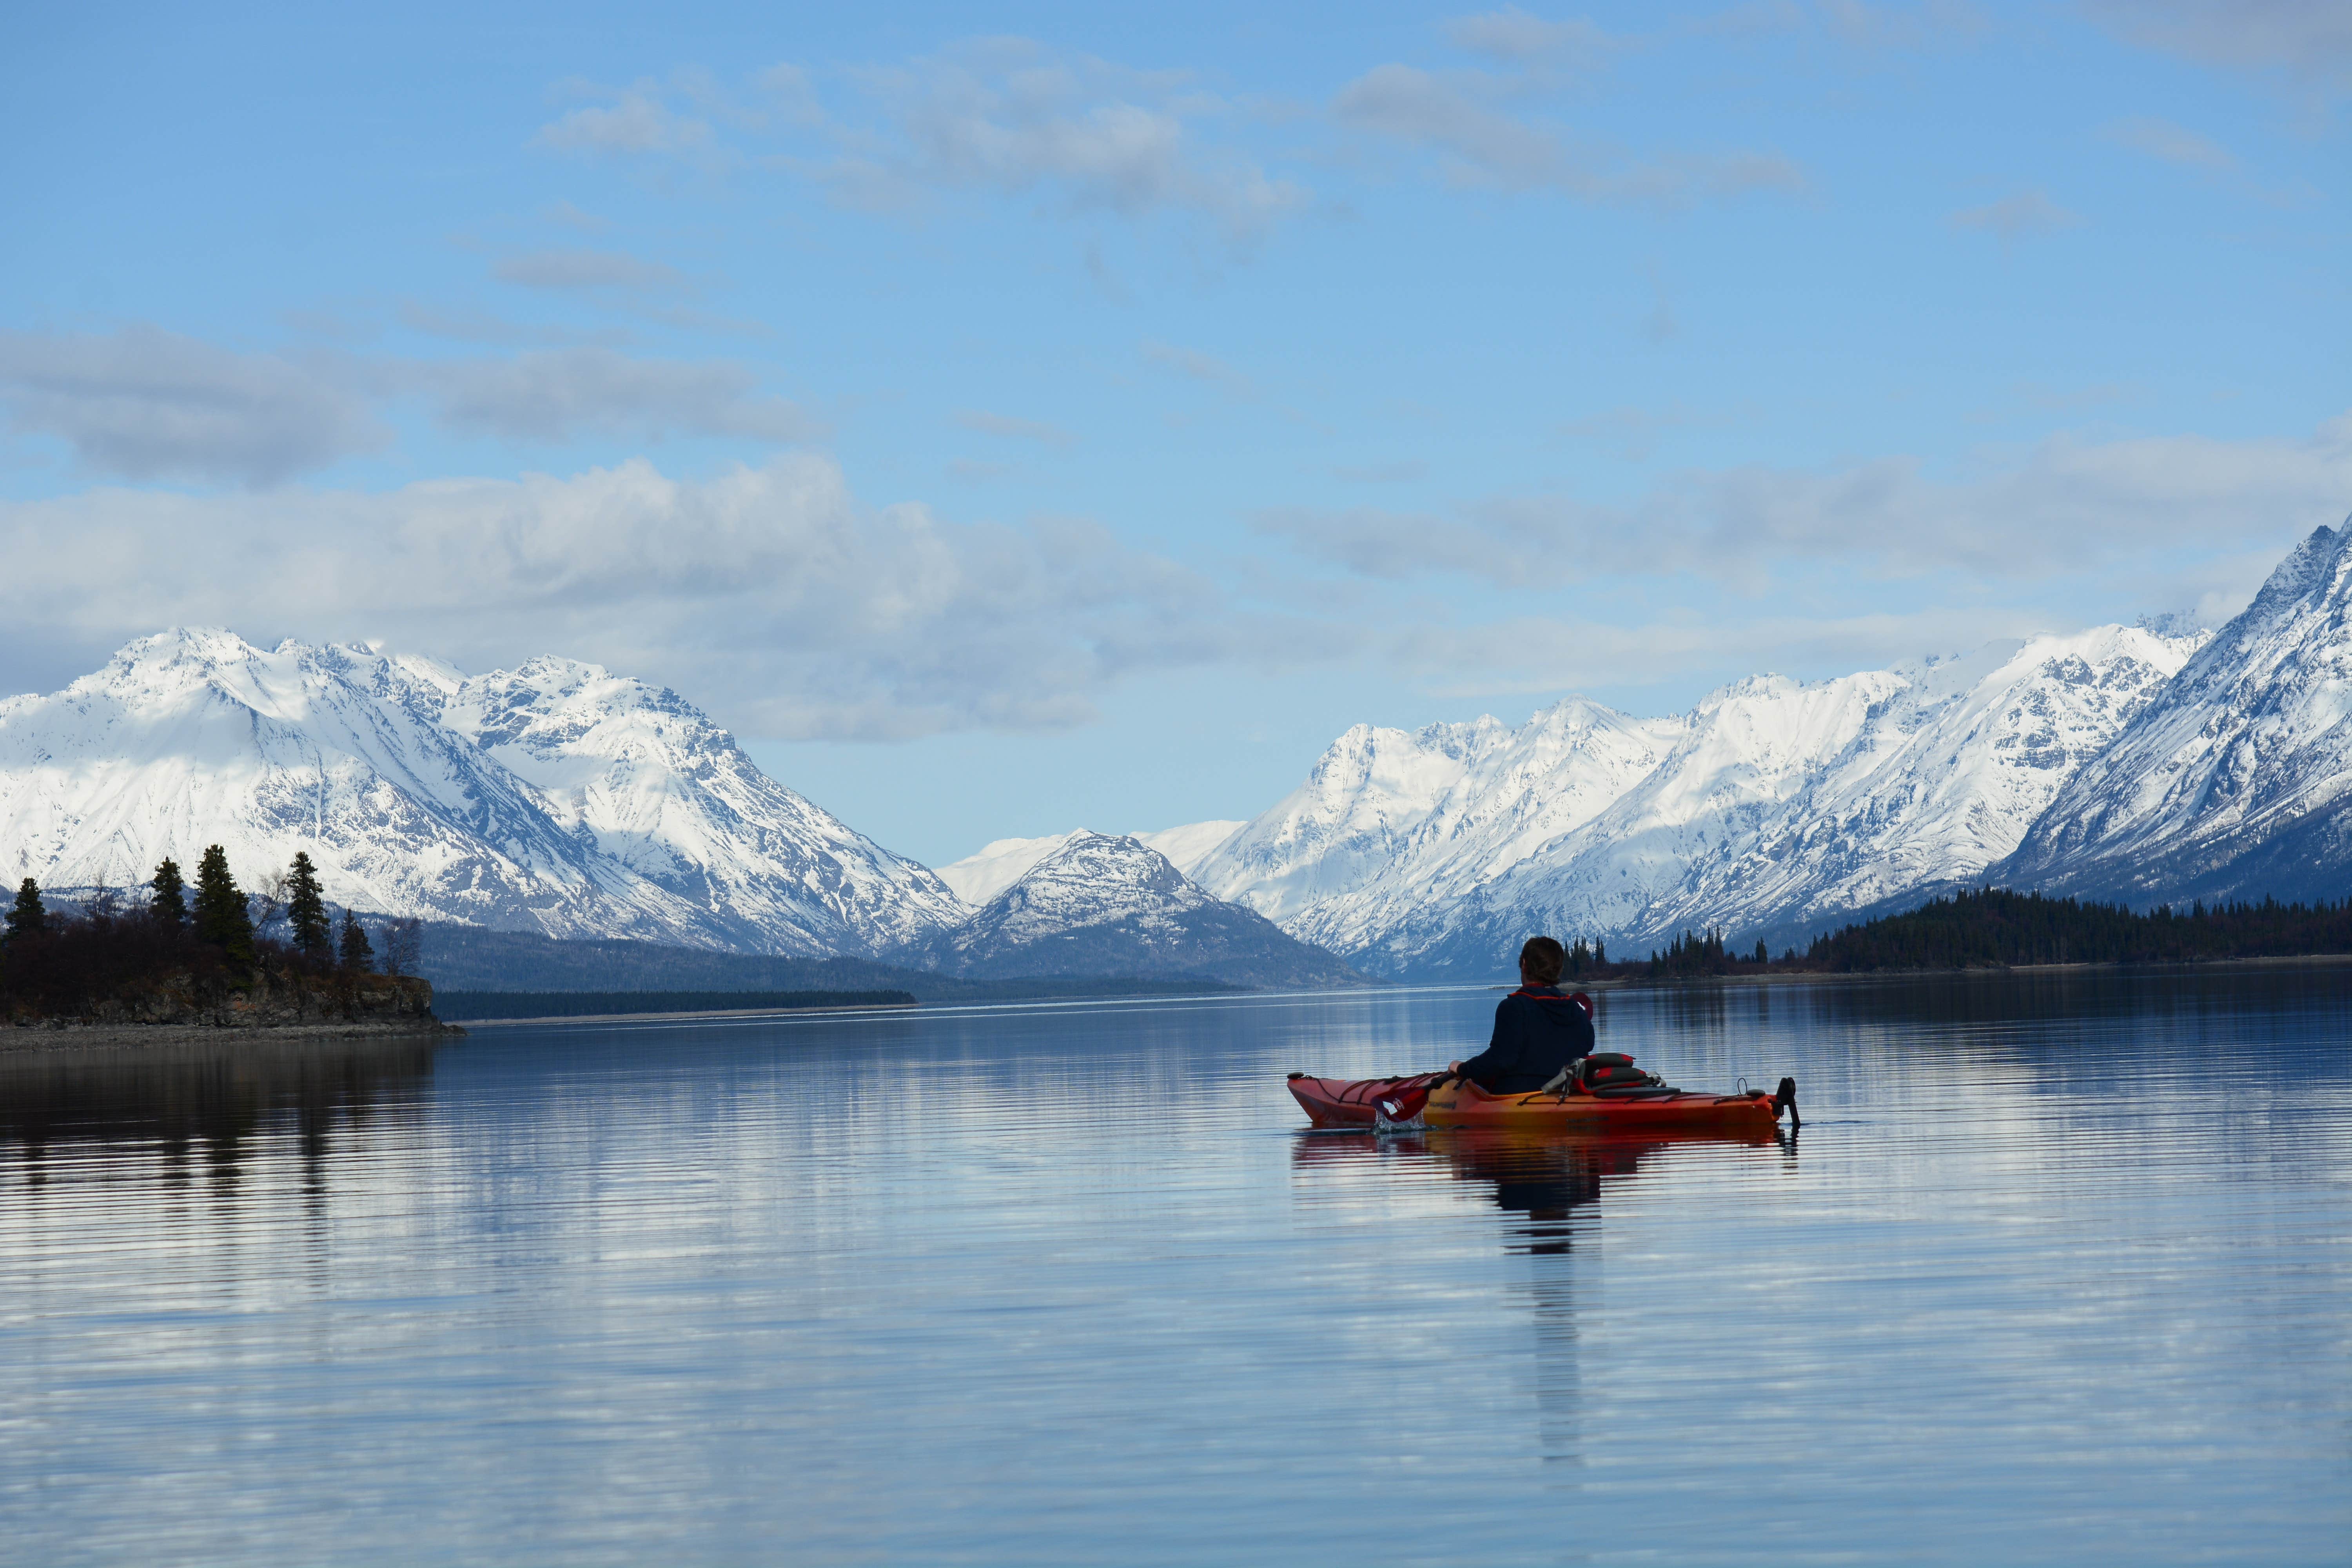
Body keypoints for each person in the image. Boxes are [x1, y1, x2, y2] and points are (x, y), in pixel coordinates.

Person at [1447, 936, 1596, 1094]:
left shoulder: (1514, 1007)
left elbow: (1500, 1061)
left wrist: (1463, 1068)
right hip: (1569, 1090)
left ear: (1524, 965)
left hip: (1522, 1094)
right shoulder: (1576, 1009)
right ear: (1558, 969)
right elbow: (1587, 1045)